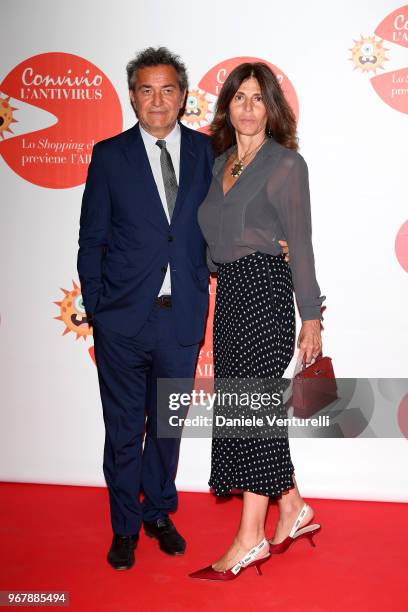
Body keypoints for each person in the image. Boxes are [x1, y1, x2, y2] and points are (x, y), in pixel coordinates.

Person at [77, 47, 215, 570]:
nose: (157, 100)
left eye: (167, 89)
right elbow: (92, 240)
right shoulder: (109, 155)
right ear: (132, 95)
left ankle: (158, 512)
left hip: (180, 319)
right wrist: (98, 307)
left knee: (166, 426)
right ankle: (124, 526)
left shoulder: (208, 153)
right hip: (123, 321)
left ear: (182, 96)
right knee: (122, 428)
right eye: (146, 90)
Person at [190, 62, 325, 581]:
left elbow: (302, 243)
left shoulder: (287, 165)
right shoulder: (220, 161)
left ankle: (250, 539)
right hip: (229, 297)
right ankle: (291, 507)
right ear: (227, 106)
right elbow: (213, 233)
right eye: (239, 97)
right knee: (248, 409)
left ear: (272, 109)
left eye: (258, 98)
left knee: (253, 413)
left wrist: (310, 316)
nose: (247, 107)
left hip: (266, 292)